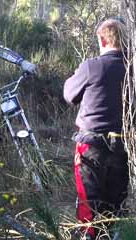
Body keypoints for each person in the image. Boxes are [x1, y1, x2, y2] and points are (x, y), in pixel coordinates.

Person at [63, 18, 129, 240]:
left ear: (102, 39)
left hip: (90, 147)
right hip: (123, 146)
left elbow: (69, 95)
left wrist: (78, 74)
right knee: (114, 205)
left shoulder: (92, 66)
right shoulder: (132, 68)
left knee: (88, 205)